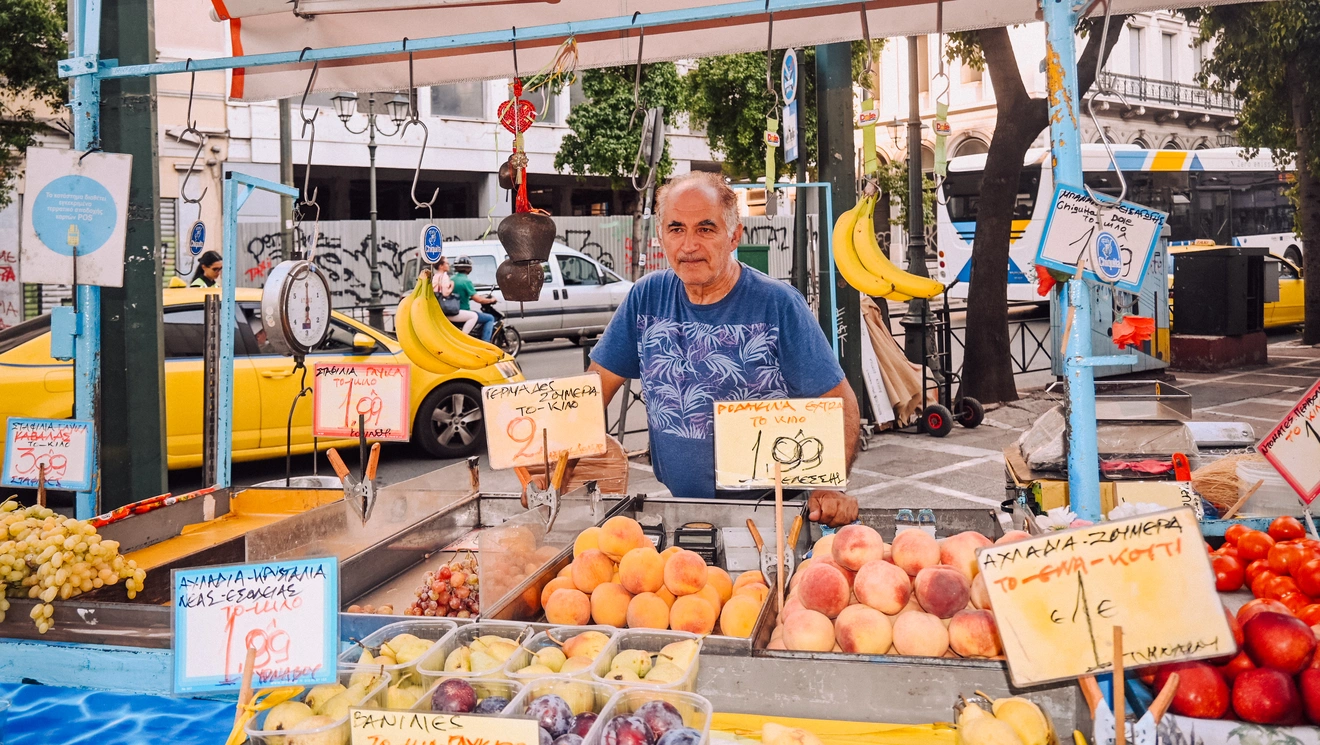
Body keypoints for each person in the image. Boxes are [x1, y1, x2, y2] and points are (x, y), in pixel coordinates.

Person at [588, 172, 861, 527]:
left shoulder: (777, 305)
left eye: (705, 228)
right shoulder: (646, 297)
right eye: (676, 229)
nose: (688, 245)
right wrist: (549, 459)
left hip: (773, 514)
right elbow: (593, 392)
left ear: (734, 236)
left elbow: (839, 403)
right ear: (661, 237)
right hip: (682, 510)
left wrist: (831, 486)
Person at [451, 255, 498, 342]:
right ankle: (486, 343)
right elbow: (478, 299)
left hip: (452, 311)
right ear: (468, 268)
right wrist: (491, 300)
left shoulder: (452, 279)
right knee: (489, 318)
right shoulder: (466, 281)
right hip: (463, 311)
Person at [432, 257, 480, 335]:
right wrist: (452, 286)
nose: (449, 265)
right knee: (473, 316)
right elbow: (445, 293)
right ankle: (463, 337)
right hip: (446, 311)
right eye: (446, 263)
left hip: (438, 309)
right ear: (441, 266)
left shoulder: (435, 276)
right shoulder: (444, 276)